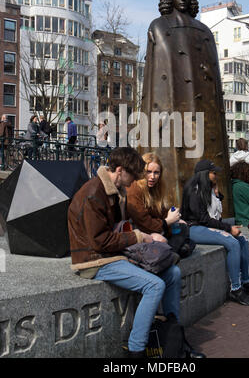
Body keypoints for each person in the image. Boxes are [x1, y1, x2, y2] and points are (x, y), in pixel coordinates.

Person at [68, 147, 183, 358]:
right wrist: (142, 237)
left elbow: (117, 229)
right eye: (132, 176)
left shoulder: (114, 191)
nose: (133, 182)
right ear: (120, 170)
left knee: (173, 274)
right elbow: (100, 241)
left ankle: (173, 336)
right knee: (154, 285)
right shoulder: (94, 194)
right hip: (94, 261)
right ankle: (136, 350)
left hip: (114, 254)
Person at [141, 0, 231, 216]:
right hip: (170, 105)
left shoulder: (204, 31)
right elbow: (157, 74)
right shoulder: (160, 26)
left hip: (202, 106)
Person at [181, 159, 249, 306]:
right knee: (232, 242)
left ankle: (246, 281)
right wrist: (227, 228)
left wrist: (217, 194)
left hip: (205, 226)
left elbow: (215, 216)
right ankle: (236, 288)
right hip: (193, 228)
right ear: (205, 174)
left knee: (243, 240)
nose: (216, 176)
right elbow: (203, 219)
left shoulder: (208, 187)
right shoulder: (194, 189)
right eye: (214, 173)